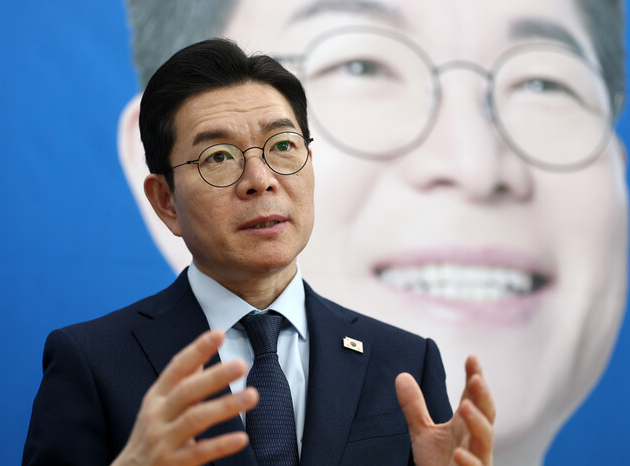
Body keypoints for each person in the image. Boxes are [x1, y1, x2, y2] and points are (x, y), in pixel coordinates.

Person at [117, 1, 627, 465]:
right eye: (359, 66)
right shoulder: (95, 364)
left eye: (544, 83)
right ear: (165, 188)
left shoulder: (411, 360)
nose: (474, 165)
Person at [23, 39, 494, 465]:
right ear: (166, 201)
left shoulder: (404, 362)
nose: (260, 180)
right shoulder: (93, 362)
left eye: (283, 145)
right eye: (219, 157)